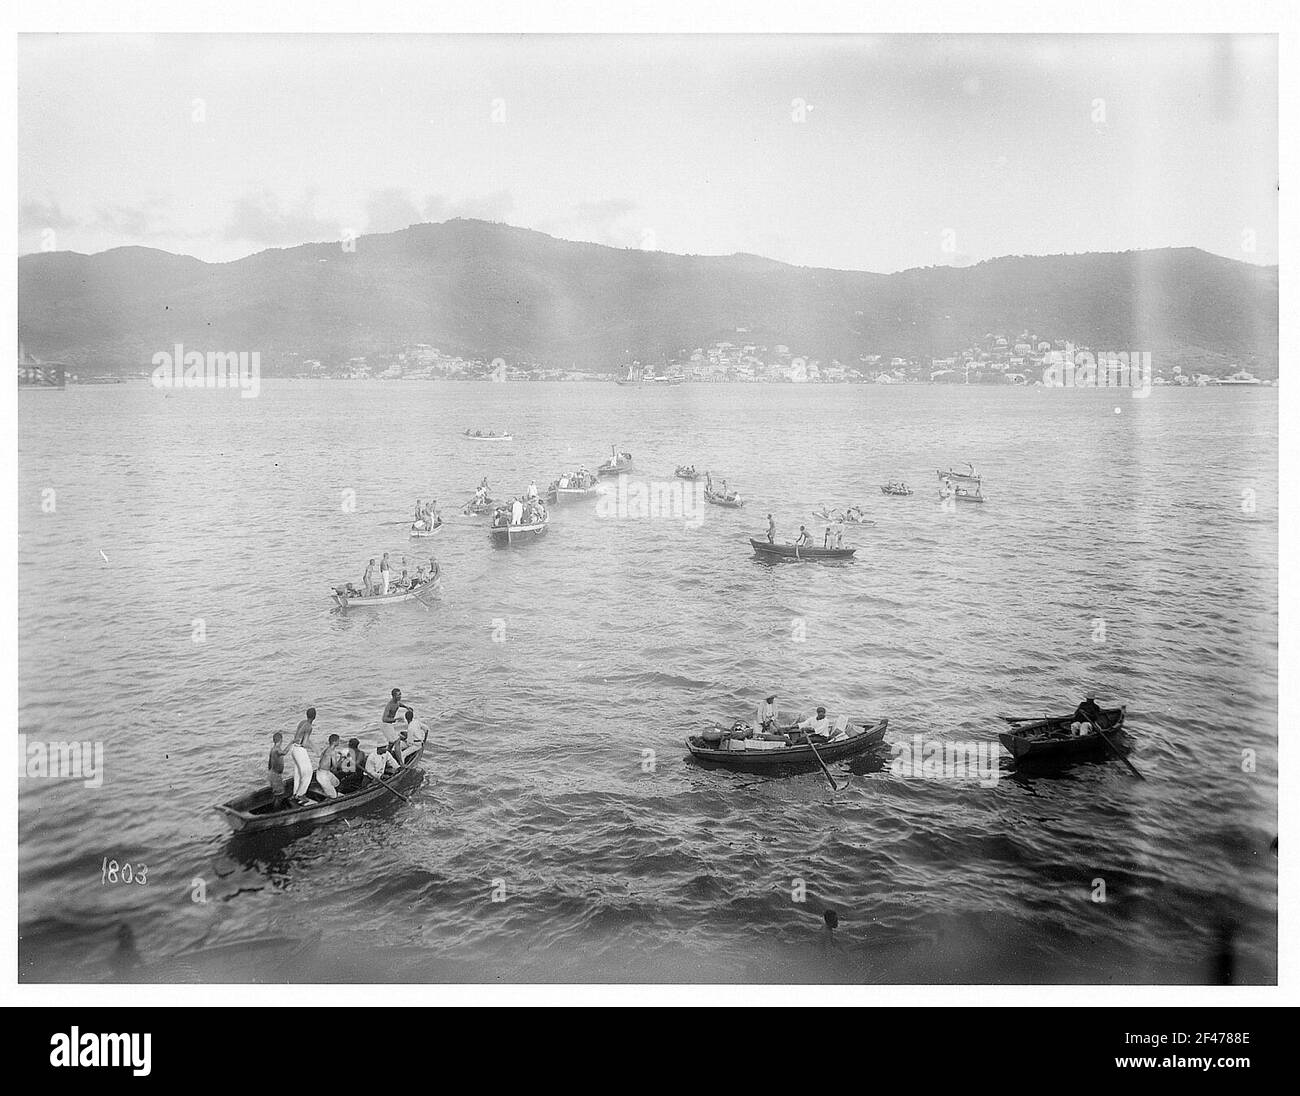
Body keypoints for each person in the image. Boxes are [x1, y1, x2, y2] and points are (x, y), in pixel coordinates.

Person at [288, 708, 317, 802]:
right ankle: (301, 794)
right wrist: (314, 749)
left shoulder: (302, 722)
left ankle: (295, 794)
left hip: (293, 749)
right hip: (300, 750)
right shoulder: (309, 727)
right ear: (314, 716)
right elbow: (304, 743)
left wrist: (313, 745)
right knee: (308, 772)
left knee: (298, 774)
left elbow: (300, 737)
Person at [267, 732, 290, 807]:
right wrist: (291, 743)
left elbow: (269, 763)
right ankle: (276, 811)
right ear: (281, 740)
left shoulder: (272, 749)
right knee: (280, 795)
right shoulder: (276, 749)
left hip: (273, 774)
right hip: (275, 775)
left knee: (277, 794)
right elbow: (284, 752)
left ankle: (275, 808)